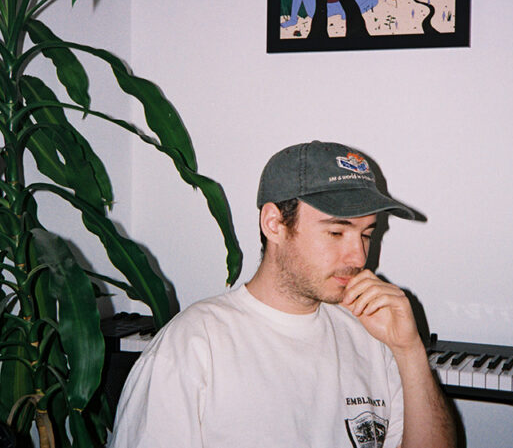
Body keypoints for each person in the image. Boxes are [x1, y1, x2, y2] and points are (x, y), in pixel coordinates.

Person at [109, 140, 456, 448]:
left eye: (367, 234)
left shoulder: (371, 333)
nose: (360, 258)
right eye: (336, 232)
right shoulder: (192, 347)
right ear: (274, 224)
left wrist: (408, 351)